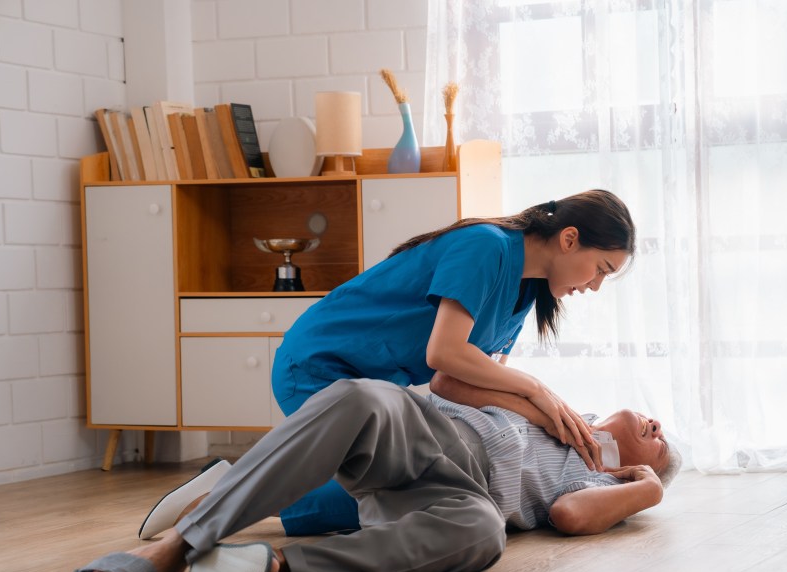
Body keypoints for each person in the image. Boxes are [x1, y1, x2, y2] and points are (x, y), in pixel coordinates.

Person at [74, 374, 682, 572]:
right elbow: (448, 381)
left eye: (661, 446)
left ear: (633, 467)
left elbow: (571, 516)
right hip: (424, 426)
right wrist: (538, 401)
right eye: (657, 425)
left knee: (484, 536)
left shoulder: (595, 480)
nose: (658, 430)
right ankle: (179, 545)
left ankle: (273, 565)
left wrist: (648, 489)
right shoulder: (557, 403)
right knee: (357, 394)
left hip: (464, 495)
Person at [271, 189, 637, 535]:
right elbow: (443, 353)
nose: (596, 286)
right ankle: (234, 492)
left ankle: (236, 488)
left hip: (370, 389)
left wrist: (549, 418)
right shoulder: (485, 246)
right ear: (569, 239)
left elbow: (451, 383)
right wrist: (536, 389)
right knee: (398, 488)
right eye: (601, 269)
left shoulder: (526, 292)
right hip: (315, 366)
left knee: (408, 485)